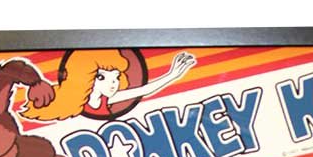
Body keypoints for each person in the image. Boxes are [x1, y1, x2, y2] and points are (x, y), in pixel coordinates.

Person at [21, 49, 196, 120]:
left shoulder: (108, 99)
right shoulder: (72, 101)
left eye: (116, 77)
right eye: (102, 77)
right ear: (87, 76)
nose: (113, 83)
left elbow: (145, 90)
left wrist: (172, 75)